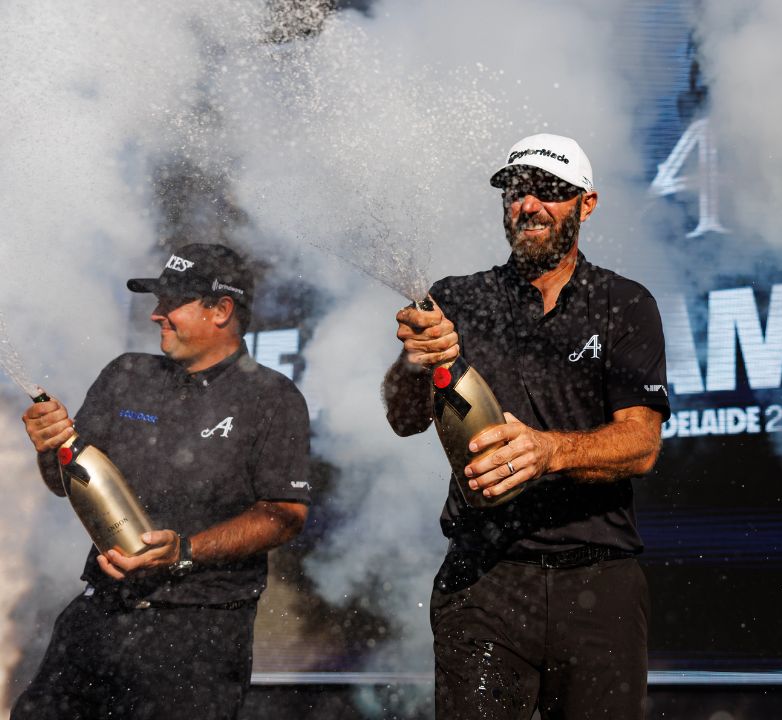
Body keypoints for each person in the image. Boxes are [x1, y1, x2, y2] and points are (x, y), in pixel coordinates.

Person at [382, 133, 670, 719]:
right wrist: (413, 362)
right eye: (517, 191)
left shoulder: (624, 302)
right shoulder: (456, 298)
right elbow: (403, 418)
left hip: (599, 579)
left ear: (586, 205)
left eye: (550, 192)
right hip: (483, 579)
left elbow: (641, 444)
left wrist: (546, 451)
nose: (529, 205)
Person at [15, 243, 311, 720]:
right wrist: (51, 446)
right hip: (99, 615)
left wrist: (184, 550)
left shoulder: (273, 398)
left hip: (199, 635)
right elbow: (64, 482)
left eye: (170, 302)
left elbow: (284, 516)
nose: (156, 315)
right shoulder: (125, 374)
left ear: (222, 310)